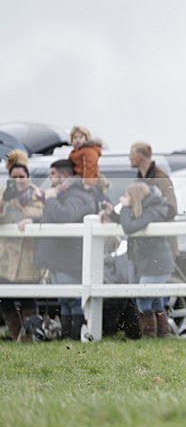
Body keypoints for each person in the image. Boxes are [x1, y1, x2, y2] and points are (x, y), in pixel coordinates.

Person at [30, 159, 96, 340]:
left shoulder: (78, 195)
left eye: (53, 174)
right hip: (59, 258)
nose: (50, 178)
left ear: (64, 175)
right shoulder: (64, 194)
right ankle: (67, 340)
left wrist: (50, 198)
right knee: (65, 300)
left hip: (70, 259)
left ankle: (73, 339)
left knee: (73, 300)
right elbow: (52, 217)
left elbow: (64, 215)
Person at [109, 183, 176, 338]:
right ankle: (161, 334)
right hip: (147, 262)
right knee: (154, 299)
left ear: (135, 197)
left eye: (127, 197)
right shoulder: (149, 208)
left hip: (156, 262)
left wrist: (125, 208)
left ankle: (150, 335)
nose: (125, 200)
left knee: (144, 296)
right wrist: (112, 214)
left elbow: (130, 226)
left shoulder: (154, 210)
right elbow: (131, 222)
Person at [0, 150, 45, 340]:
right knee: (4, 299)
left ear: (28, 177)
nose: (18, 180)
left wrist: (27, 217)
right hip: (6, 257)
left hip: (28, 256)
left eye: (22, 176)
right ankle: (16, 334)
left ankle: (29, 337)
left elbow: (39, 213)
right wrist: (5, 200)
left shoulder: (36, 194)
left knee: (28, 299)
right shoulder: (3, 194)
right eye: (14, 177)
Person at [128, 141, 177, 254]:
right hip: (143, 244)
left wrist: (147, 216)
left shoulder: (161, 177)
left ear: (140, 156)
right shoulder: (138, 180)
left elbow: (171, 208)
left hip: (162, 243)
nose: (129, 157)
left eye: (132, 154)